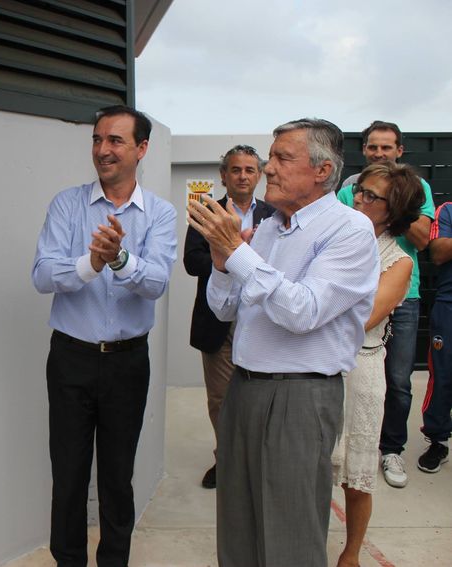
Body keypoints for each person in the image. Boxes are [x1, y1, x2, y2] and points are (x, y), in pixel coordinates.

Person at [187, 118, 379, 567]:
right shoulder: (269, 229)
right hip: (245, 387)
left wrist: (237, 253)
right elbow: (225, 309)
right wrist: (220, 262)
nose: (267, 168)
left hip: (300, 396)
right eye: (269, 157)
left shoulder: (348, 230)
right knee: (238, 530)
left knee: (289, 539)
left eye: (281, 158)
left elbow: (303, 311)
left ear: (321, 170)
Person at [32, 105, 177, 567]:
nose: (102, 150)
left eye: (115, 141)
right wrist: (90, 263)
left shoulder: (160, 214)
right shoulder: (66, 204)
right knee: (69, 474)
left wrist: (119, 259)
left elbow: (156, 283)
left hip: (127, 363)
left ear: (141, 148)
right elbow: (41, 274)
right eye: (97, 140)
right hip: (71, 359)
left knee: (118, 477)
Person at [331, 162, 425, 567]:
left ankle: (350, 554)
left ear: (395, 209)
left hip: (362, 369)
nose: (360, 199)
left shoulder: (398, 261)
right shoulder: (332, 239)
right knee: (314, 467)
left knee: (357, 472)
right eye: (360, 191)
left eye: (372, 196)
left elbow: (361, 319)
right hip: (319, 366)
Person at [337, 120, 436, 488]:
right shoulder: (351, 188)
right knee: (347, 374)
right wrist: (370, 196)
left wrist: (398, 205)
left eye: (386, 147)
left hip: (403, 293)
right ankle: (346, 445)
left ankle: (391, 448)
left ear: (399, 151)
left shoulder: (418, 187)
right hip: (355, 289)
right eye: (372, 147)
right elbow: (342, 229)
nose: (379, 153)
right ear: (363, 150)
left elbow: (424, 239)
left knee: (397, 378)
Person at [183, 145, 274, 489]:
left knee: (258, 396)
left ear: (259, 175)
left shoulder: (274, 213)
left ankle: (254, 461)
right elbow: (192, 261)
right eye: (235, 170)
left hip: (261, 319)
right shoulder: (205, 211)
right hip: (216, 321)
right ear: (224, 175)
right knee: (221, 398)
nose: (243, 176)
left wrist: (243, 257)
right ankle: (227, 460)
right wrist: (227, 258)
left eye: (250, 170)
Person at [418, 200, 452, 474]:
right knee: (442, 376)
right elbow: (439, 252)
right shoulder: (447, 210)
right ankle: (438, 441)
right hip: (449, 306)